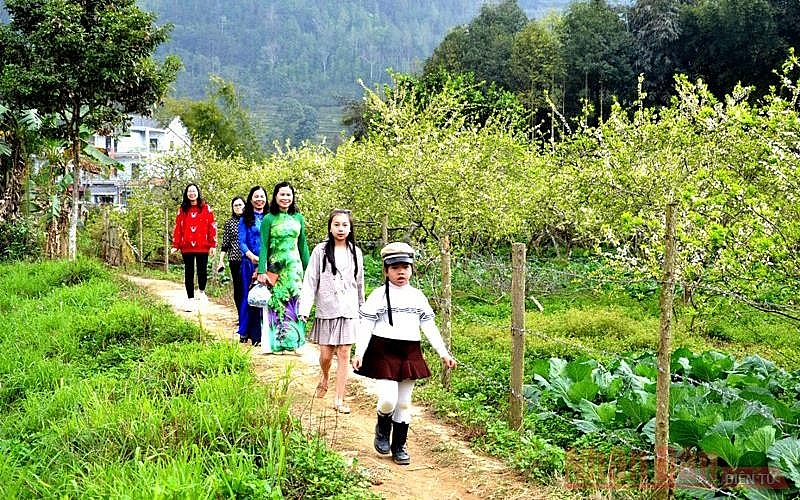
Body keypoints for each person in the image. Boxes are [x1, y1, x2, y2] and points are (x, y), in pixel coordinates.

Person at [352, 242, 457, 466]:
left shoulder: (417, 296)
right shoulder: (379, 296)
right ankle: (382, 425)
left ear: (411, 269)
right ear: (386, 270)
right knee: (388, 399)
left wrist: (443, 353)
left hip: (409, 351)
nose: (401, 272)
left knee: (404, 403)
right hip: (383, 349)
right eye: (395, 267)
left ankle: (399, 445)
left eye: (405, 267)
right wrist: (359, 352)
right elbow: (366, 326)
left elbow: (429, 327)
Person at [299, 209, 365, 414]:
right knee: (326, 355)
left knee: (344, 353)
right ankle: (325, 375)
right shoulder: (320, 251)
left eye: (345, 225)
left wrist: (363, 310)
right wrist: (304, 308)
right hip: (326, 309)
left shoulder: (356, 252)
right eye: (337, 224)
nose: (341, 229)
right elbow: (310, 280)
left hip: (349, 309)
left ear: (350, 228)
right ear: (330, 227)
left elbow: (359, 283)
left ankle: (339, 400)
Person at [257, 181, 310, 354]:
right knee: (276, 303)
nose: (285, 198)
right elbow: (263, 246)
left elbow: (303, 246)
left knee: (295, 302)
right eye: (282, 194)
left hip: (295, 268)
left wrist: (309, 269)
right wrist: (261, 271)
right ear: (275, 196)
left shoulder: (298, 218)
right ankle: (276, 344)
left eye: (288, 194)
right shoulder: (268, 219)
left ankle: (295, 343)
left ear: (292, 197)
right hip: (275, 268)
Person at [171, 183, 217, 312]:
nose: (192, 193)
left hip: (203, 246)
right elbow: (178, 228)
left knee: (202, 271)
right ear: (186, 194)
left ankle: (201, 292)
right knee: (189, 273)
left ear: (198, 192)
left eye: (194, 191)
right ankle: (190, 299)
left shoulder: (206, 208)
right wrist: (176, 245)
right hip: (187, 247)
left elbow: (212, 227)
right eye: (189, 191)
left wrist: (213, 244)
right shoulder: (182, 210)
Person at [238, 186, 268, 346]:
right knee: (249, 296)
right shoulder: (245, 218)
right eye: (256, 197)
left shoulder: (270, 217)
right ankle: (245, 331)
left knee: (264, 298)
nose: (259, 199)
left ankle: (262, 334)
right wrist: (252, 257)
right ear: (251, 199)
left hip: (268, 264)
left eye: (262, 196)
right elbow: (241, 241)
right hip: (249, 263)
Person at [217, 196, 245, 327]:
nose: (238, 207)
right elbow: (225, 244)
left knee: (250, 289)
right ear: (232, 208)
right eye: (236, 206)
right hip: (235, 260)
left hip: (250, 260)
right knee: (239, 289)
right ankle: (241, 317)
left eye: (240, 205)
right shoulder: (230, 223)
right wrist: (221, 260)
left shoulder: (250, 220)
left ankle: (253, 319)